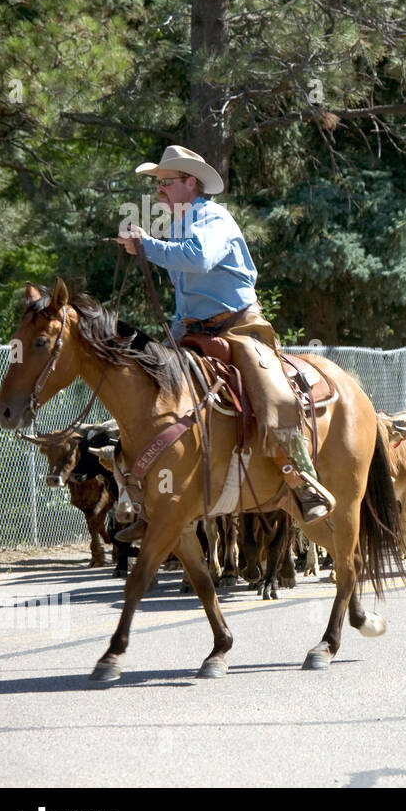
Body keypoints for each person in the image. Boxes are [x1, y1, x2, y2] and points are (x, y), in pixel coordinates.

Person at [110, 145, 334, 539]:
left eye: (166, 183)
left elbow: (197, 259)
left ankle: (302, 482)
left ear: (190, 183)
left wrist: (147, 246)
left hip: (239, 328)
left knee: (274, 395)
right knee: (151, 394)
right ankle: (151, 501)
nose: (159, 191)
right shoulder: (176, 227)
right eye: (158, 184)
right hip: (192, 331)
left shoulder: (213, 217)